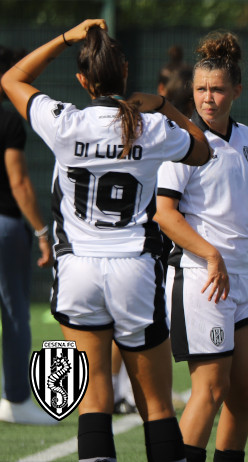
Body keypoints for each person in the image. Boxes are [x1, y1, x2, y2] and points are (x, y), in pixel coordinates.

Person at [1, 19, 211, 461]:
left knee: (94, 400)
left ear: (82, 80)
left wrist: (67, 37)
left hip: (77, 270)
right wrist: (163, 106)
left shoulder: (63, 121)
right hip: (134, 268)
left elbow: (11, 79)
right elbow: (202, 148)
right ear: (126, 72)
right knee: (155, 405)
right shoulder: (150, 127)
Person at [154, 31, 248, 462]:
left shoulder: (247, 138)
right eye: (200, 89)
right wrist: (211, 255)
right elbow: (165, 215)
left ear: (237, 91)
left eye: (216, 89)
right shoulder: (181, 140)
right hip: (202, 278)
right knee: (211, 389)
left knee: (243, 393)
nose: (207, 98)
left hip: (245, 280)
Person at [110, 43, 196, 417]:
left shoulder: (141, 126)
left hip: (130, 234)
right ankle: (126, 391)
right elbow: (199, 152)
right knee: (142, 323)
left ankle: (118, 390)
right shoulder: (167, 132)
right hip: (150, 237)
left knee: (128, 321)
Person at [0, 44, 55, 426]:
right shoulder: (9, 122)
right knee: (16, 311)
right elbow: (19, 183)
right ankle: (16, 399)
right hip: (4, 226)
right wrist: (42, 231)